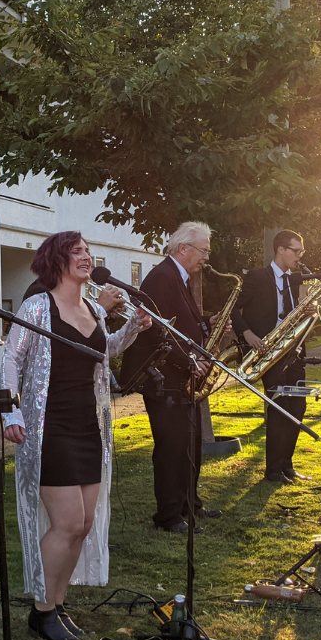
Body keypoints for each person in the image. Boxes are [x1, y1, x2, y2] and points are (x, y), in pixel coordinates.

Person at [2, 232, 149, 640]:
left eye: (88, 250)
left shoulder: (92, 309)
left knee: (83, 524)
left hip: (89, 425)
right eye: (77, 251)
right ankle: (42, 610)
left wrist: (133, 328)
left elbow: (104, 352)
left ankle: (58, 604)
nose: (86, 256)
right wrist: (10, 410)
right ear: (57, 260)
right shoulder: (37, 306)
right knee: (66, 523)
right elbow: (11, 358)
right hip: (51, 427)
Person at [119, 222, 220, 533]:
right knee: (172, 447)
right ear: (183, 249)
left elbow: (179, 323)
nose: (207, 257)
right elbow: (154, 331)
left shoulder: (179, 276)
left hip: (179, 376)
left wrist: (207, 322)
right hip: (164, 379)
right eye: (204, 250)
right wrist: (188, 360)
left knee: (190, 444)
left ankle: (190, 504)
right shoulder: (162, 277)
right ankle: (169, 516)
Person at [231, 229, 310, 484]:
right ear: (281, 250)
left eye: (301, 252)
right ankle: (273, 471)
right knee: (279, 407)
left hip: (292, 351)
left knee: (298, 405)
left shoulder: (292, 280)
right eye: (296, 251)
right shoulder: (257, 277)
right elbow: (232, 308)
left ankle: (286, 465)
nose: (299, 256)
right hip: (266, 351)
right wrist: (247, 334)